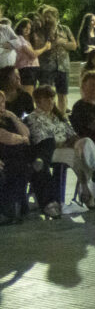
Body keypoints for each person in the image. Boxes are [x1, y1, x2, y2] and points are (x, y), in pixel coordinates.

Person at [26, 85, 95, 210]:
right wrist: (67, 144)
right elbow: (44, 141)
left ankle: (91, 180)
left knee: (86, 142)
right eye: (46, 99)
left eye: (52, 98)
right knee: (73, 155)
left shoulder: (57, 116)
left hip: (68, 147)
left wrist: (75, 142)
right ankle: (91, 188)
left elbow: (72, 134)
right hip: (49, 153)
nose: (51, 101)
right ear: (37, 101)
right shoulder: (33, 118)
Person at [0, 90, 39, 224]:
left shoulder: (6, 117)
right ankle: (10, 210)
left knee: (24, 168)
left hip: (15, 156)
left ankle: (15, 209)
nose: (1, 106)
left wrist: (13, 117)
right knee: (16, 168)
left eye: (3, 103)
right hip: (5, 156)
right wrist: (22, 139)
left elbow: (26, 132)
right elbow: (5, 137)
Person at [34, 6, 77, 114]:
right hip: (47, 67)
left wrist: (63, 43)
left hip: (63, 66)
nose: (47, 20)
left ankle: (61, 117)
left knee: (62, 94)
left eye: (49, 17)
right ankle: (46, 117)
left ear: (55, 17)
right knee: (45, 95)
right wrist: (55, 43)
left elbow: (74, 45)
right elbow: (40, 48)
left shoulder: (65, 29)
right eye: (45, 17)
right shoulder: (41, 31)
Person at [13, 18, 45, 93]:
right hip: (27, 70)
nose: (27, 30)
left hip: (32, 69)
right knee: (28, 95)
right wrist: (45, 48)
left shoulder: (26, 40)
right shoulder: (19, 38)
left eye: (29, 28)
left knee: (31, 94)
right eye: (25, 27)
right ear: (20, 27)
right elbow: (33, 54)